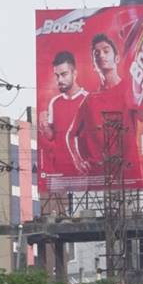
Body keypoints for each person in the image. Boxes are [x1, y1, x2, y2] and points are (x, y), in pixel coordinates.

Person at [66, 24, 143, 186]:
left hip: (129, 176)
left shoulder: (131, 87)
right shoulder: (90, 100)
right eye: (96, 53)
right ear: (93, 64)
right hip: (100, 181)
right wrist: (78, 161)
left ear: (117, 58)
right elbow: (69, 134)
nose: (101, 55)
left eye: (106, 51)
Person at [40, 51, 87, 186]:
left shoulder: (88, 99)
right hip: (60, 174)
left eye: (64, 74)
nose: (59, 80)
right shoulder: (54, 102)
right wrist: (44, 127)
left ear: (75, 73)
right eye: (57, 76)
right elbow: (51, 136)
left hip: (84, 174)